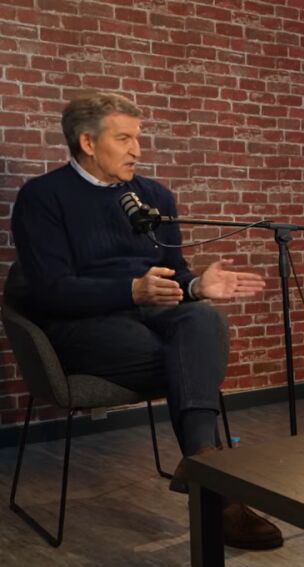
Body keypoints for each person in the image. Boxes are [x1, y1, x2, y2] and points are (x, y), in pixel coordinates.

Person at [10, 93, 282, 550]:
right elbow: (48, 291)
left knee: (203, 321)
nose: (137, 149)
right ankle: (218, 489)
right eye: (124, 139)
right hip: (79, 324)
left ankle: (202, 465)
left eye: (138, 138)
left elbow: (175, 273)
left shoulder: (153, 196)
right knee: (191, 362)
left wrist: (196, 287)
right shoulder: (42, 198)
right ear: (87, 143)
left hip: (154, 314)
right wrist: (129, 290)